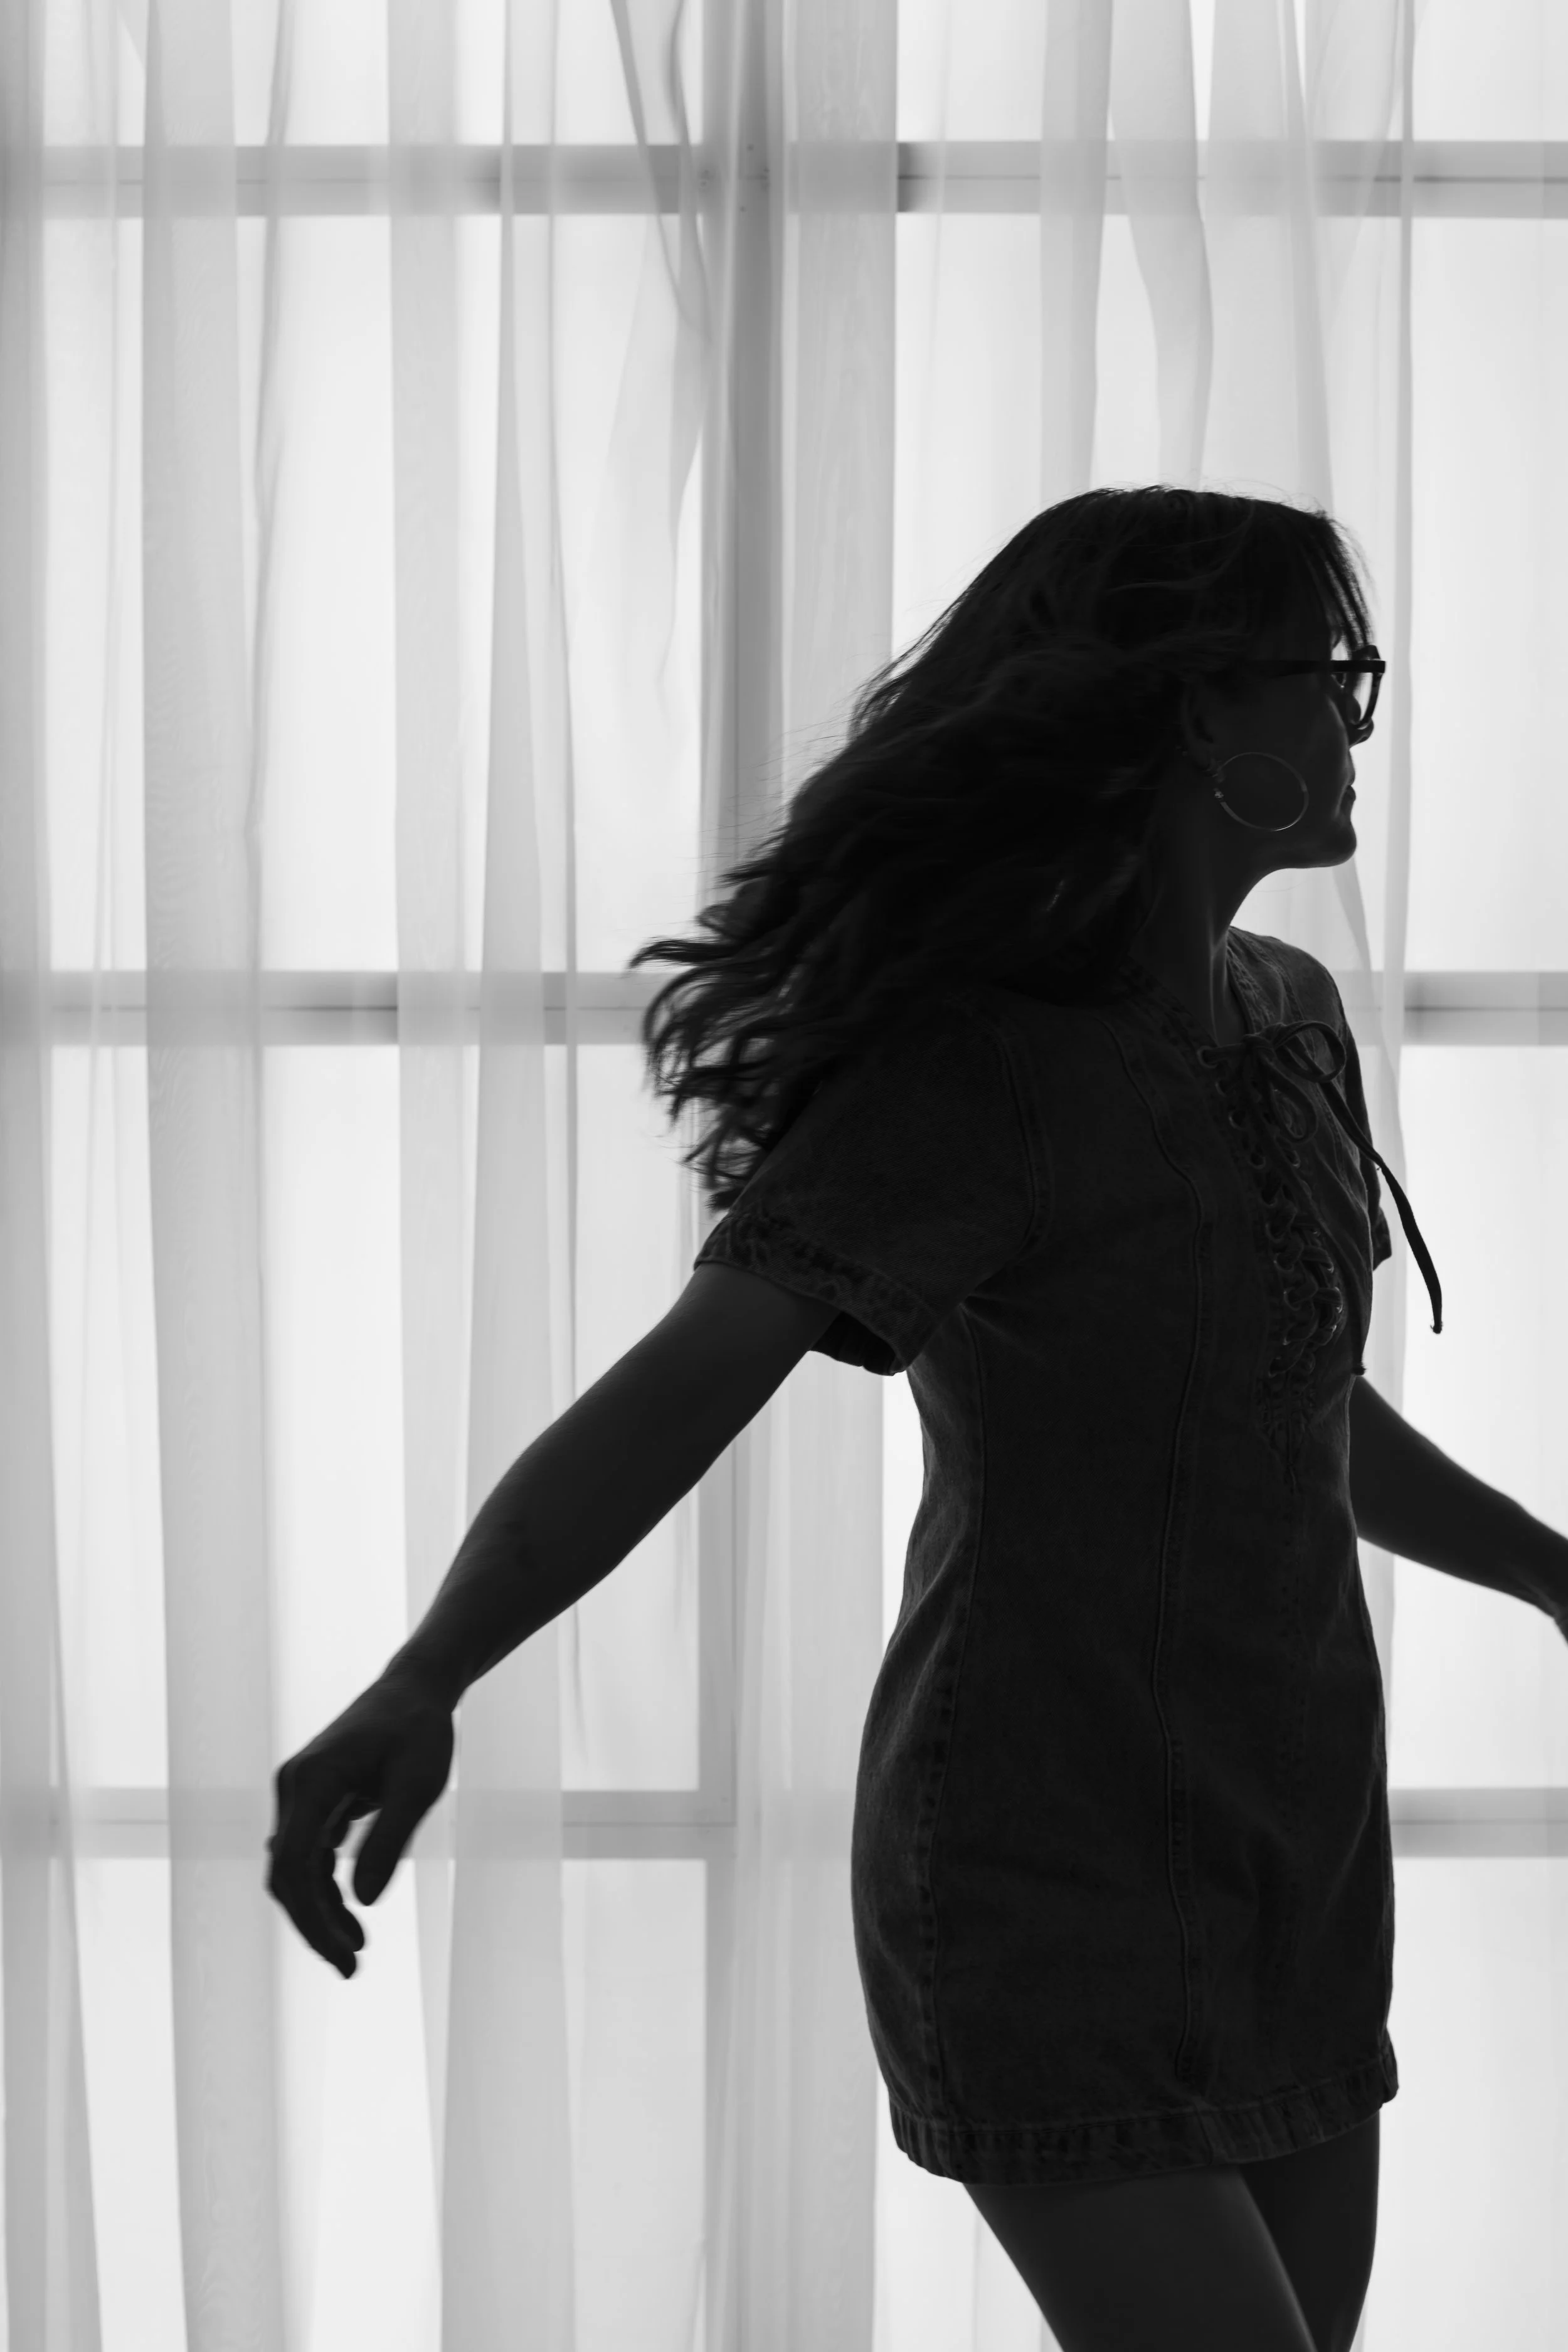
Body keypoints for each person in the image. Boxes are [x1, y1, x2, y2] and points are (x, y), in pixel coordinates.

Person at [267, 488, 1439, 2351]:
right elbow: (681, 1385)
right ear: (1194, 714)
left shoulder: (1284, 1012)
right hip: (1046, 1869)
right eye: (1329, 674)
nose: (1358, 720)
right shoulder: (972, 1076)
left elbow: (1296, 1406)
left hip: (1293, 1856)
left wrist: (1551, 1573)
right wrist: (429, 1673)